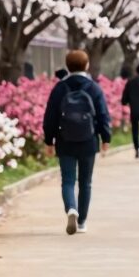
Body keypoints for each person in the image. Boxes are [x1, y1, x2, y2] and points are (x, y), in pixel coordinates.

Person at [42, 50, 112, 235]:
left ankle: (71, 208)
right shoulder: (94, 88)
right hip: (88, 141)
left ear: (67, 66)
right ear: (87, 65)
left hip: (65, 140)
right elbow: (103, 115)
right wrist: (106, 138)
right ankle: (81, 222)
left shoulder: (60, 88)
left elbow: (50, 117)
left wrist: (49, 141)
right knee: (85, 182)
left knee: (67, 180)